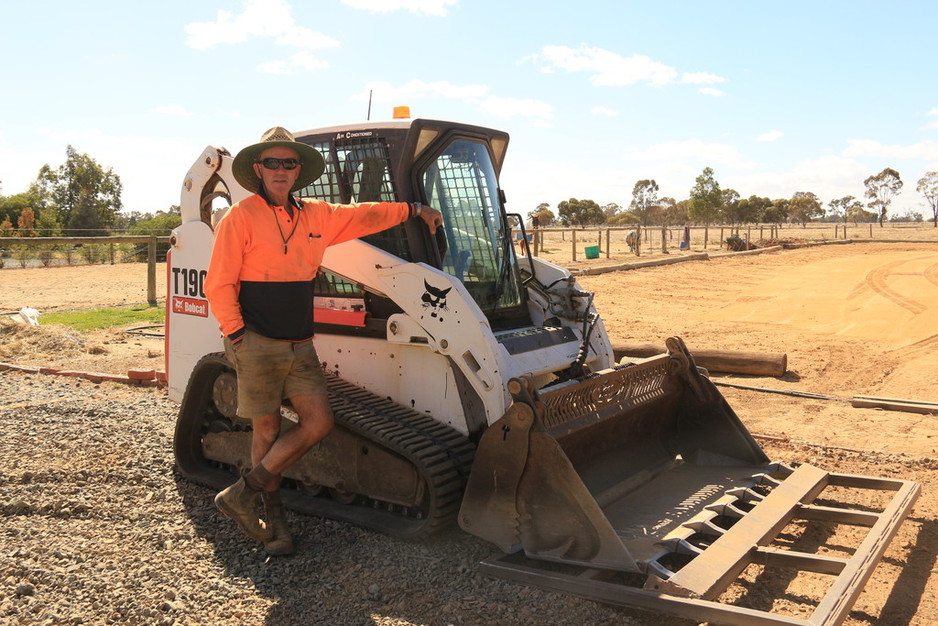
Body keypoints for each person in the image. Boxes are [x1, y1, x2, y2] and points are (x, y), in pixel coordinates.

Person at [204, 126, 442, 555]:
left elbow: (367, 214)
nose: (281, 169)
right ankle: (275, 521)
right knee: (268, 429)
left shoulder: (317, 215)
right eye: (272, 162)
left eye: (288, 162)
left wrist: (414, 209)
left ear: (298, 170)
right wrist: (237, 335)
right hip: (255, 340)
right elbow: (218, 283)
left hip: (300, 343)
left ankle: (242, 492)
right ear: (258, 169)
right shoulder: (240, 218)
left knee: (318, 423)